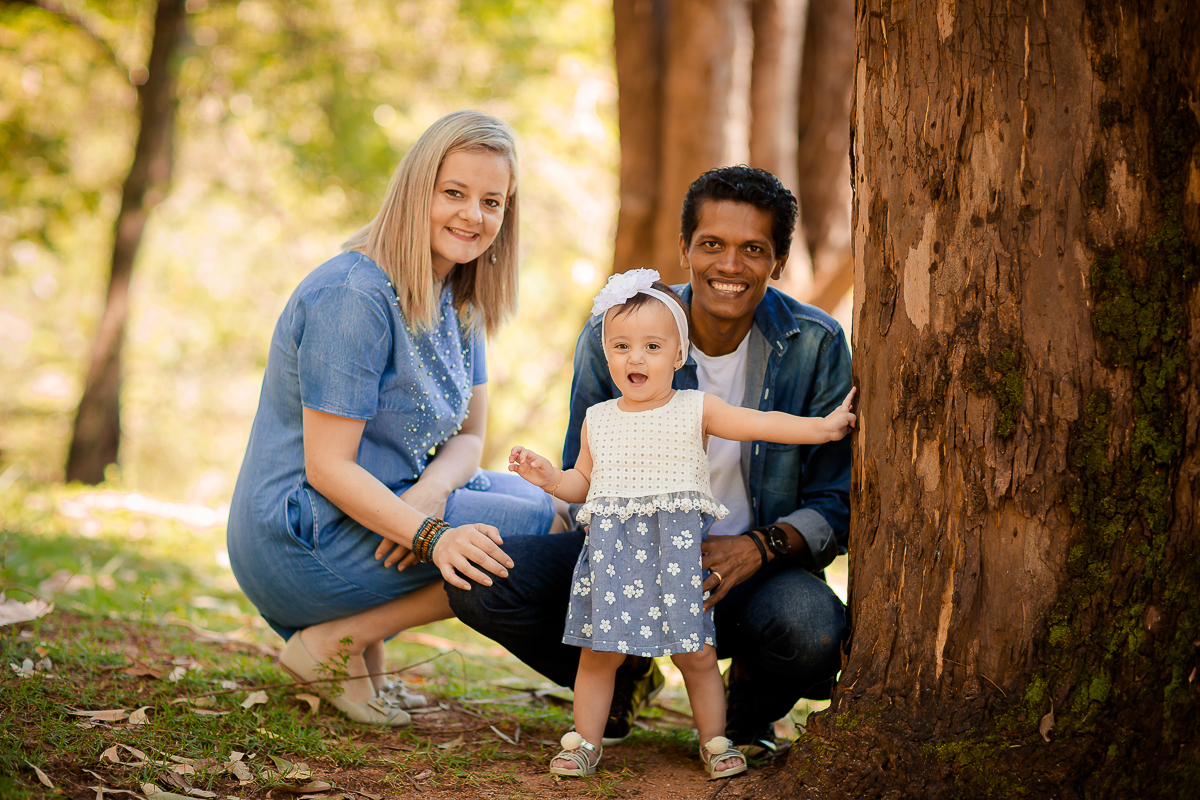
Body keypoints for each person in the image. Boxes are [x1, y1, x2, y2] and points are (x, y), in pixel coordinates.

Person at [448, 165, 853, 758]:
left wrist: (758, 547)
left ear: (778, 260)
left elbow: (835, 502)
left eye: (753, 250)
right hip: (624, 552)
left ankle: (740, 723)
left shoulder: (815, 344)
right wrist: (565, 495)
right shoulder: (618, 331)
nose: (730, 265)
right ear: (685, 247)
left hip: (749, 569)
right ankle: (625, 674)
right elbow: (584, 474)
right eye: (712, 244)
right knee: (482, 583)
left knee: (811, 627)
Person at [226, 110, 557, 728]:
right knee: (544, 532)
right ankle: (338, 641)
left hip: (384, 506)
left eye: (493, 201)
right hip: (303, 534)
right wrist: (431, 535)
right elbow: (327, 468)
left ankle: (359, 654)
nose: (473, 215)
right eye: (453, 193)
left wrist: (430, 495)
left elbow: (470, 437)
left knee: (555, 510)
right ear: (416, 189)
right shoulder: (353, 296)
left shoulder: (459, 297)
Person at [507, 270, 856, 778]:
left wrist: (822, 428)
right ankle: (584, 741)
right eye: (621, 345)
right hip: (613, 558)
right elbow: (582, 483)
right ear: (605, 353)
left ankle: (716, 742)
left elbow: (761, 422)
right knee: (599, 656)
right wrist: (549, 478)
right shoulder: (599, 419)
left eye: (652, 345)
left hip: (676, 558)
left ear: (678, 355)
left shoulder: (696, 409)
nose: (636, 357)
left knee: (696, 655)